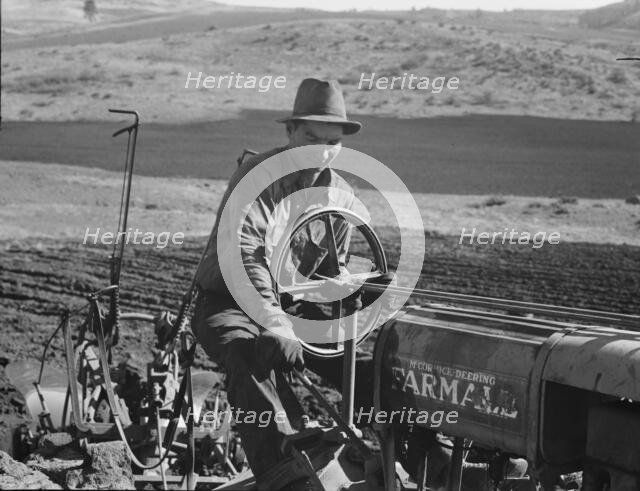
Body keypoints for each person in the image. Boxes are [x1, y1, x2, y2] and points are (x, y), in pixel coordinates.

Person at [192, 78, 379, 490]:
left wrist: (359, 291)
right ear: (290, 132)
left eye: (332, 142)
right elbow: (245, 254)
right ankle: (287, 476)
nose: (321, 150)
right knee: (250, 355)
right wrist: (274, 322)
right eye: (311, 137)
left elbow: (330, 274)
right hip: (228, 303)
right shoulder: (257, 176)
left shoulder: (341, 195)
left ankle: (411, 457)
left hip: (293, 309)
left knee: (370, 368)